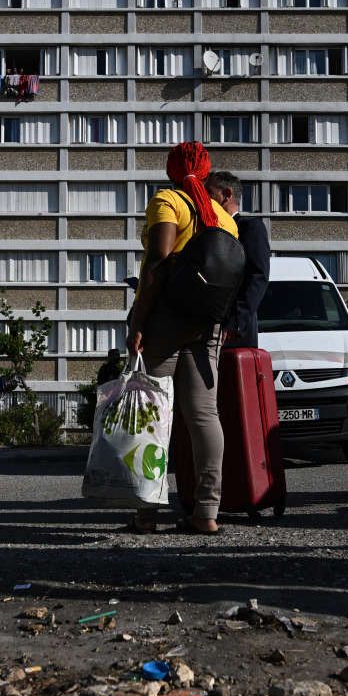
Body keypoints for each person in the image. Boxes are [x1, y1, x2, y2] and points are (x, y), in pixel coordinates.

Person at [124, 141, 239, 535]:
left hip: (165, 322)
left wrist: (138, 321)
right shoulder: (224, 218)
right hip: (207, 327)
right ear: (206, 172)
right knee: (204, 416)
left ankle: (146, 513)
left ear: (172, 169)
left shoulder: (167, 201)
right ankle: (207, 512)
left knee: (152, 417)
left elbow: (158, 260)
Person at [206, 170, 271, 348]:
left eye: (209, 194)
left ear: (227, 194)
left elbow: (257, 276)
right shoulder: (206, 230)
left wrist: (236, 322)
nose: (204, 201)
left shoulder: (250, 228)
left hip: (233, 332)